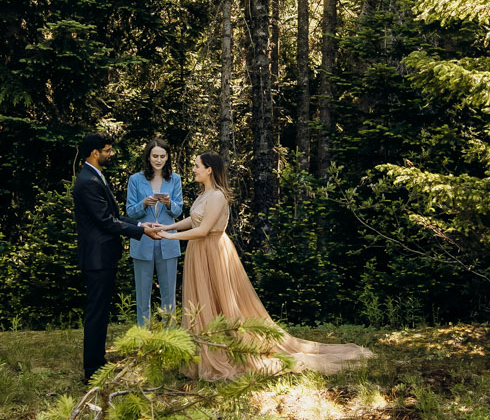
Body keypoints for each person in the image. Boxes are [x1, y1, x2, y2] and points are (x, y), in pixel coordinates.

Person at [145, 152, 372, 380]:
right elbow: (194, 221)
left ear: (209, 169)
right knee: (204, 303)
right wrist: (169, 227)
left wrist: (167, 236)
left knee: (221, 302)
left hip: (212, 251)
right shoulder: (204, 194)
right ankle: (203, 349)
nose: (193, 169)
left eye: (197, 166)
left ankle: (226, 350)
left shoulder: (217, 196)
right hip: (199, 251)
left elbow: (204, 230)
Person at [72, 133, 148, 383]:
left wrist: (140, 224)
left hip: (102, 256)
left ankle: (99, 361)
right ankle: (92, 369)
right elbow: (105, 221)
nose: (111, 154)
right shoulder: (88, 181)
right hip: (97, 257)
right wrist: (141, 231)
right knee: (96, 312)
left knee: (101, 311)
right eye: (107, 150)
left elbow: (111, 215)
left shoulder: (94, 176)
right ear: (95, 152)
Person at [125, 140, 185, 326]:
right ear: (148, 157)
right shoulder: (135, 179)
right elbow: (129, 212)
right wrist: (144, 203)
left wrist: (168, 203)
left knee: (169, 294)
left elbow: (178, 211)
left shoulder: (174, 179)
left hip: (168, 242)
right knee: (143, 294)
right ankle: (143, 335)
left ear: (167, 157)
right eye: (155, 156)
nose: (158, 160)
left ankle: (170, 335)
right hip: (143, 241)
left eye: (162, 156)